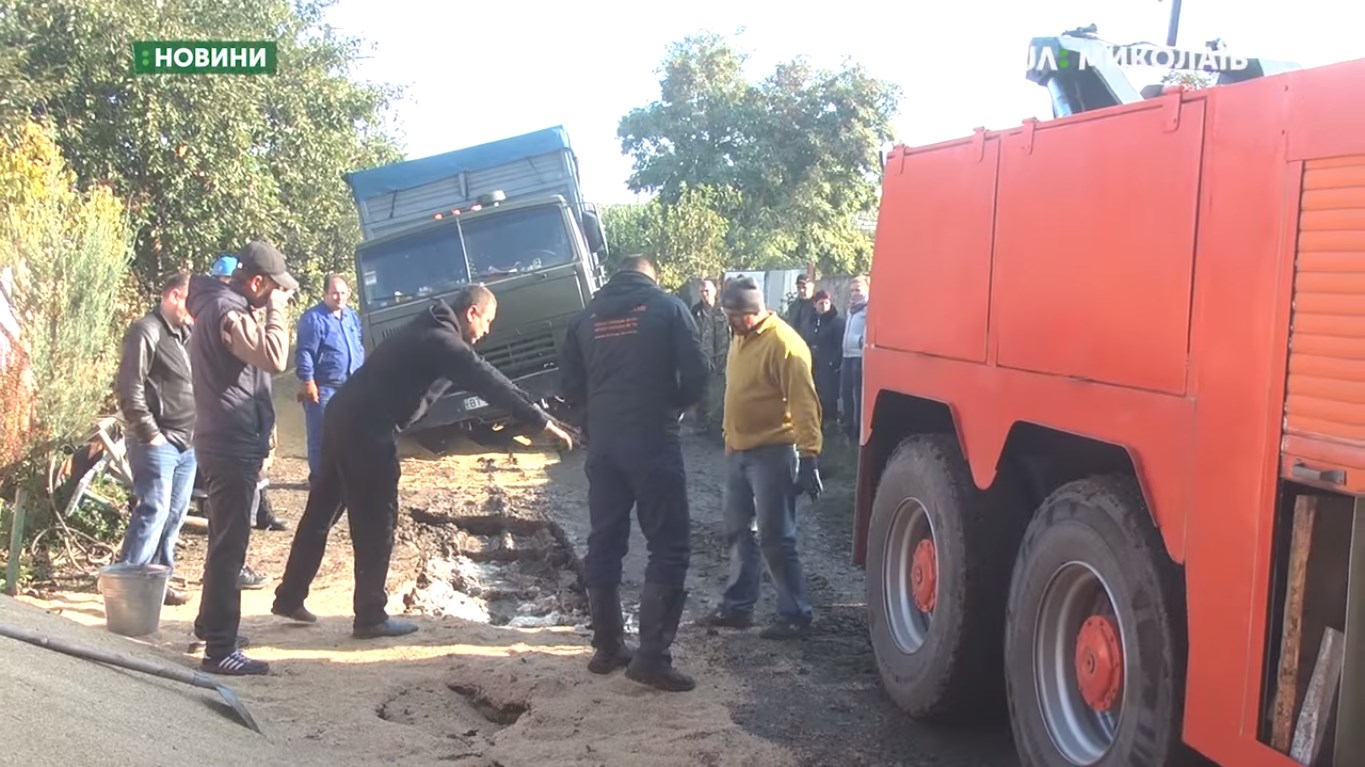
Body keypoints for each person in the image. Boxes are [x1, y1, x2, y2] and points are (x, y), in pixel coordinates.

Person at [271, 285, 575, 639]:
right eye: (487, 321)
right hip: (368, 427)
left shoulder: (428, 326)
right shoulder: (441, 340)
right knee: (377, 518)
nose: (487, 331)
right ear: (471, 313)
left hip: (343, 416)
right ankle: (370, 615)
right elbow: (489, 382)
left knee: (320, 511)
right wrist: (541, 420)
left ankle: (290, 596)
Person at [558, 256, 709, 692]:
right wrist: (675, 403)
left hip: (604, 443)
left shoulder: (585, 316)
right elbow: (698, 370)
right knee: (669, 544)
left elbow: (567, 386)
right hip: (652, 437)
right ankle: (651, 657)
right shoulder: (667, 307)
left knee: (604, 539)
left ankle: (607, 647)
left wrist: (595, 413)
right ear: (651, 274)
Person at [186, 241, 297, 676]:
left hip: (228, 440)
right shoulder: (227, 312)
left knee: (223, 542)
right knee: (230, 548)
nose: (277, 294)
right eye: (274, 287)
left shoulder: (219, 305)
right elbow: (274, 357)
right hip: (230, 444)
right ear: (256, 282)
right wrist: (276, 311)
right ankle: (220, 648)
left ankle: (208, 628)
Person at [700, 276, 823, 639]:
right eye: (726, 314)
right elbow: (736, 393)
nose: (729, 322)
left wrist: (810, 455)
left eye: (733, 316)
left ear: (751, 313)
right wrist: (728, 436)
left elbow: (804, 404)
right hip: (739, 451)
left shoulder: (784, 344)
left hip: (773, 452)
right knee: (739, 531)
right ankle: (738, 607)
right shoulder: (741, 339)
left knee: (775, 536)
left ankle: (795, 613)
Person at [113, 272, 197, 607]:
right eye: (191, 302)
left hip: (188, 443)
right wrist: (151, 433)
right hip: (157, 441)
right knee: (154, 510)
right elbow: (129, 388)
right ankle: (127, 587)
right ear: (174, 296)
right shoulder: (146, 330)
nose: (195, 311)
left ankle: (159, 582)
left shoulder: (184, 334)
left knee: (174, 514)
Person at [295, 273, 365, 487]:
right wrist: (308, 381)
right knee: (322, 436)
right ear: (325, 293)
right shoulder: (313, 319)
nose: (339, 297)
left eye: (343, 293)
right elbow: (305, 352)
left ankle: (347, 477)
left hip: (351, 386)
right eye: (334, 293)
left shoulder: (350, 316)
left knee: (351, 433)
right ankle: (320, 480)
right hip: (324, 388)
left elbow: (358, 343)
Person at [689, 277, 729, 434]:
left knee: (723, 394)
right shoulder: (696, 311)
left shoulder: (725, 309)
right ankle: (705, 425)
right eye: (702, 291)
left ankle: (720, 426)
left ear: (715, 290)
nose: (704, 294)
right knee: (706, 393)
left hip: (725, 359)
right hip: (705, 359)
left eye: (707, 290)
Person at [809, 290, 845, 429]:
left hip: (830, 368)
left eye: (826, 303)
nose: (823, 306)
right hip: (815, 365)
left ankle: (831, 425)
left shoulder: (837, 322)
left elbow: (841, 345)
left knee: (829, 397)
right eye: (820, 303)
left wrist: (833, 363)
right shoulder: (814, 321)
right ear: (815, 305)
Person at [841, 276, 869, 441]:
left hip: (859, 356)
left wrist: (860, 341)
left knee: (857, 394)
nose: (854, 293)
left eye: (858, 290)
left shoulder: (868, 309)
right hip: (847, 354)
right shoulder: (850, 309)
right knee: (845, 392)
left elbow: (869, 329)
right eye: (852, 290)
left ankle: (858, 429)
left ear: (866, 290)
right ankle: (848, 425)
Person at [785, 273, 819, 350]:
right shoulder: (793, 307)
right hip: (795, 346)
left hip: (813, 347)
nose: (801, 290)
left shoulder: (817, 305)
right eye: (799, 288)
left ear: (812, 286)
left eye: (804, 287)